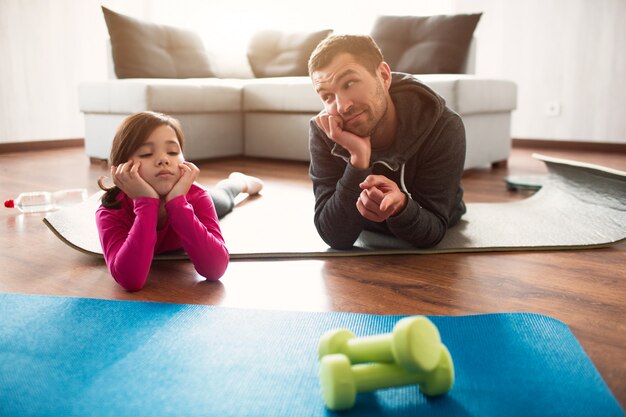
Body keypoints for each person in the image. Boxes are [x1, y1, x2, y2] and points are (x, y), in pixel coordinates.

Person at [307, 34, 466, 250]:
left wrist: (401, 206)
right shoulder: (324, 130)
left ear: (383, 75)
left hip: (430, 215)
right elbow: (334, 236)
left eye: (350, 83)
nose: (342, 106)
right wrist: (358, 161)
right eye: (327, 96)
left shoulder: (443, 126)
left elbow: (433, 230)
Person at [96, 111, 263, 291]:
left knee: (223, 199)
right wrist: (146, 203)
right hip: (140, 205)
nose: (163, 159)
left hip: (192, 200)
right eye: (146, 153)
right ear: (123, 167)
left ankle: (238, 182)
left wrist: (177, 203)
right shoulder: (111, 211)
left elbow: (215, 270)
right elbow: (130, 280)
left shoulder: (196, 197)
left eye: (173, 151)